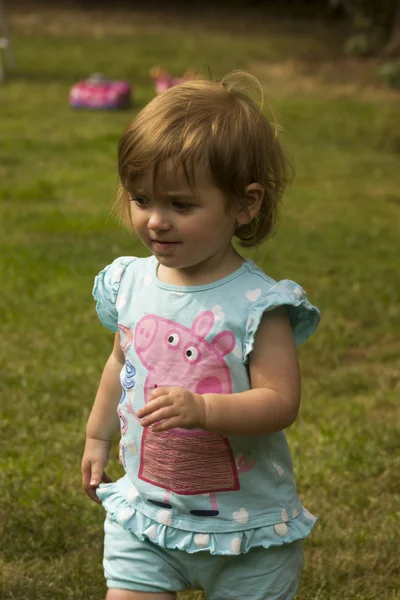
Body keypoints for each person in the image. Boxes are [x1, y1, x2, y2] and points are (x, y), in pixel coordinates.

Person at [81, 71, 321, 600]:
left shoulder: (260, 305)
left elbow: (280, 401)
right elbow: (121, 365)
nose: (156, 221)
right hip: (147, 514)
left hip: (244, 531)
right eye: (141, 199)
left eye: (181, 206)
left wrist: (205, 411)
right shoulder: (130, 281)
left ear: (244, 205)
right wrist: (99, 437)